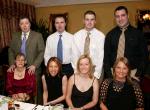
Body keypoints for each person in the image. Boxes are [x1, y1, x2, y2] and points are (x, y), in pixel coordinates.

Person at [104, 6, 148, 81]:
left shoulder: (138, 34)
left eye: (123, 15)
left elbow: (144, 56)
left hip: (132, 74)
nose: (120, 19)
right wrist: (110, 74)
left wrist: (138, 74)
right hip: (113, 74)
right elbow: (106, 57)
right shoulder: (110, 35)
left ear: (128, 16)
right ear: (115, 18)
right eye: (117, 16)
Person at [8, 17, 45, 104]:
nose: (24, 25)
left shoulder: (38, 36)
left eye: (26, 23)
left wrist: (34, 65)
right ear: (19, 25)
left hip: (33, 69)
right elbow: (11, 50)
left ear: (30, 24)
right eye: (22, 23)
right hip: (18, 70)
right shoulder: (15, 35)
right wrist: (12, 63)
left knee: (36, 93)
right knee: (20, 93)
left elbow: (42, 51)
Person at [73, 10, 105, 80]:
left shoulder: (101, 36)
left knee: (95, 90)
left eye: (92, 20)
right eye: (87, 19)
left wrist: (96, 75)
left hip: (95, 70)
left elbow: (101, 57)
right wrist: (76, 71)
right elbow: (74, 55)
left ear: (95, 21)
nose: (89, 22)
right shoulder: (76, 36)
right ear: (83, 21)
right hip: (80, 70)